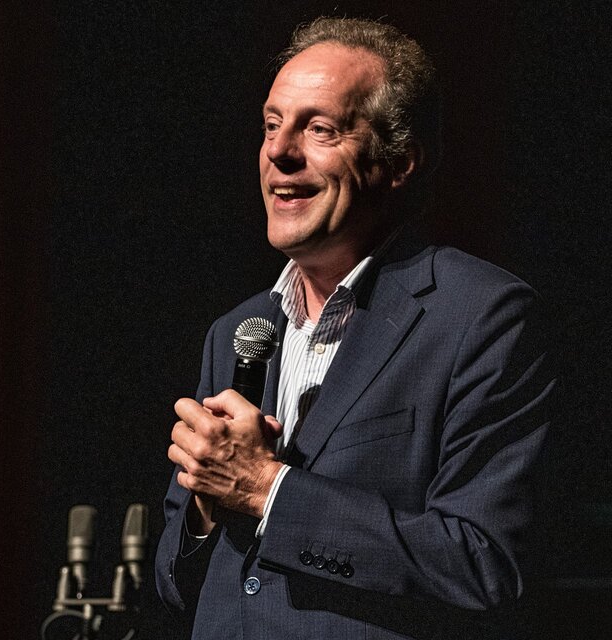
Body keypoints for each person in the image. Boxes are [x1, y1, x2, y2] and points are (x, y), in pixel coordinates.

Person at [155, 17, 554, 639]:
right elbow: (177, 583)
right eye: (271, 125)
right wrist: (207, 506)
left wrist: (265, 489)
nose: (279, 151)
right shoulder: (238, 330)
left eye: (319, 129)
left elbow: (485, 566)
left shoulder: (481, 316)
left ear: (400, 164)